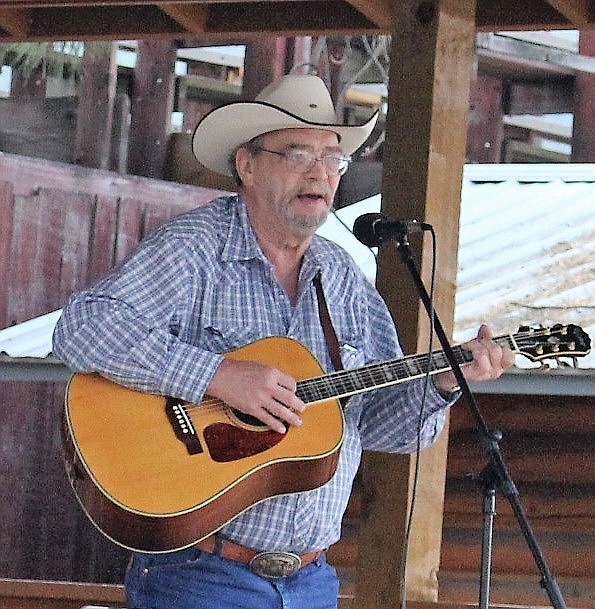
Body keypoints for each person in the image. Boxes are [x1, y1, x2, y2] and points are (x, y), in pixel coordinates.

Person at [53, 74, 514, 609]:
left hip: (312, 580)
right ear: (247, 166)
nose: (319, 172)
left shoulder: (344, 282)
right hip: (202, 573)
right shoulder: (194, 250)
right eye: (297, 154)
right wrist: (217, 376)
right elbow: (82, 328)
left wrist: (440, 382)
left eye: (331, 158)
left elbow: (377, 427)